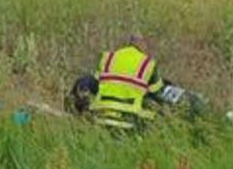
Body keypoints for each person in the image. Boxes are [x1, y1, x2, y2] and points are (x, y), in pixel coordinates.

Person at [66, 40, 199, 131]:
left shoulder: (107, 59)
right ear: (142, 50)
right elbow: (158, 93)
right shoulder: (147, 65)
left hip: (101, 120)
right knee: (153, 110)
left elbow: (92, 85)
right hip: (131, 124)